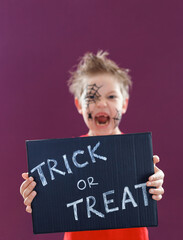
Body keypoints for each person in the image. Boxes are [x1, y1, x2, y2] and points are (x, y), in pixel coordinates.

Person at [20, 50, 164, 240]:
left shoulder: (137, 155)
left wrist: (155, 182)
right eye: (92, 97)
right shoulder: (62, 162)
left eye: (111, 97)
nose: (102, 104)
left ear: (124, 104)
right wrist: (36, 198)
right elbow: (52, 204)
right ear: (79, 105)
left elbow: (151, 188)